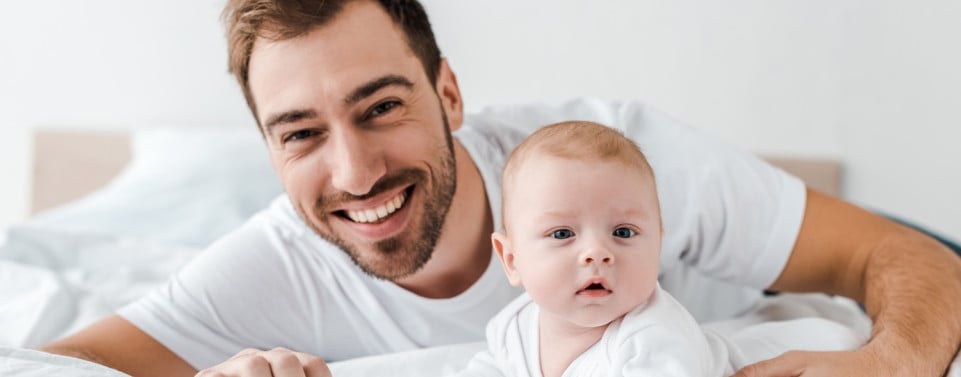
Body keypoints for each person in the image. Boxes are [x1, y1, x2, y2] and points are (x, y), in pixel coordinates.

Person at [39, 0, 961, 376]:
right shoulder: (270, 266)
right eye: (302, 133)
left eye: (380, 106)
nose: (356, 172)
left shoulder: (617, 155)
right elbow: (60, 365)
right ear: (269, 150)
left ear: (447, 93)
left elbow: (903, 255)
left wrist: (894, 360)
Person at [453, 120, 862, 377]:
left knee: (830, 333)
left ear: (659, 246)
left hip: (797, 352)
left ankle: (827, 315)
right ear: (511, 259)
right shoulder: (516, 327)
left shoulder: (653, 338)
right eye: (563, 234)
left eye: (625, 232)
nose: (597, 253)